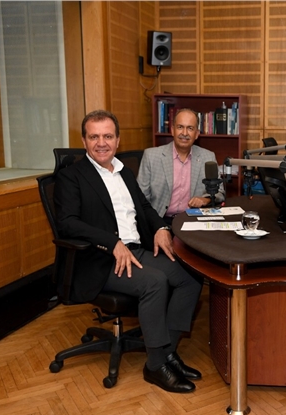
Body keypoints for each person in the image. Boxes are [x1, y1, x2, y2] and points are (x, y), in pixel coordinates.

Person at [54, 110, 204, 393]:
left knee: (191, 277)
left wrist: (161, 228)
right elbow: (67, 223)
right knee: (155, 282)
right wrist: (112, 243)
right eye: (94, 137)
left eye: (107, 136)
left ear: (117, 140)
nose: (101, 143)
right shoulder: (71, 176)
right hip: (99, 259)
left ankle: (167, 353)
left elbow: (144, 207)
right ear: (84, 141)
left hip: (136, 250)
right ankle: (155, 366)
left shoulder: (123, 171)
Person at [137, 108, 225, 224]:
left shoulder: (208, 157)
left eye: (190, 128)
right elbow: (141, 199)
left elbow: (220, 193)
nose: (184, 133)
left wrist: (206, 199)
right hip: (159, 220)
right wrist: (158, 227)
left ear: (197, 134)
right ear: (172, 130)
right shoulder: (151, 156)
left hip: (192, 220)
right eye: (180, 127)